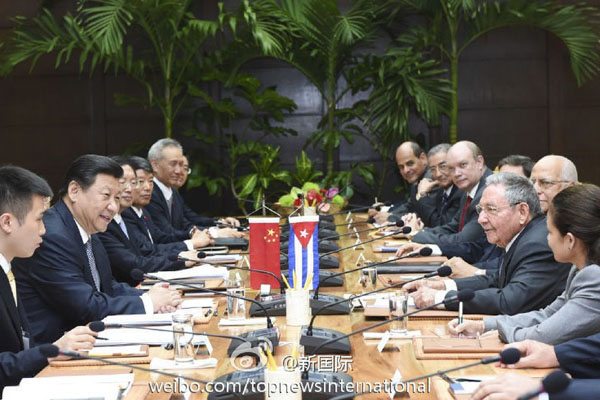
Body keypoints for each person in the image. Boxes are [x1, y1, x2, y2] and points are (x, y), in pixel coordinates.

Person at [13, 155, 182, 343]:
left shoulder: (87, 228)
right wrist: (148, 302)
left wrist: (151, 296)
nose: (113, 207)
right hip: (54, 348)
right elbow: (85, 306)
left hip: (87, 338)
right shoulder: (52, 234)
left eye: (117, 198)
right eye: (106, 196)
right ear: (75, 191)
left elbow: (107, 286)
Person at [447, 184, 600, 345]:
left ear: (570, 240)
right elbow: (547, 315)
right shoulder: (579, 270)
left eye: (550, 232)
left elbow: (547, 335)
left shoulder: (594, 277)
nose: (546, 238)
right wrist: (484, 326)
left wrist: (503, 334)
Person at [405, 173, 570, 315]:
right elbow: (497, 280)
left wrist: (438, 298)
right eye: (481, 210)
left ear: (522, 212)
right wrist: (442, 286)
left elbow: (510, 301)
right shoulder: (522, 235)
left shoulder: (537, 244)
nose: (481, 219)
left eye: (491, 209)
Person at [397, 155, 579, 278]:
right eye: (533, 182)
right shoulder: (533, 217)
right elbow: (482, 250)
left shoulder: (558, 230)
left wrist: (475, 273)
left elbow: (514, 285)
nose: (536, 189)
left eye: (545, 183)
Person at [0, 166, 98, 391]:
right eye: (39, 219)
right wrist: (51, 351)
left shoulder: (8, 270)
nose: (44, 230)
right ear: (7, 223)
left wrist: (56, 348)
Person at [97, 157, 203, 285]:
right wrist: (181, 259)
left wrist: (182, 254)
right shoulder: (104, 224)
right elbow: (134, 264)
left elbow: (149, 249)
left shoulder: (123, 218)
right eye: (122, 182)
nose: (129, 189)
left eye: (133, 182)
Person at [145, 139, 243, 240]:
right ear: (155, 165)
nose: (179, 171)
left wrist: (219, 225)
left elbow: (187, 224)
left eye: (181, 165)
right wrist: (214, 233)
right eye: (173, 164)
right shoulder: (148, 193)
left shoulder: (172, 191)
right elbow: (167, 233)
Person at [123, 156, 213, 259]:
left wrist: (191, 234)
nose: (148, 187)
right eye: (140, 181)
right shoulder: (126, 214)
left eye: (151, 181)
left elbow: (161, 238)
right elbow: (147, 250)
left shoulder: (143, 211)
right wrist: (192, 243)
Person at [409, 141, 492, 245]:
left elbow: (464, 241)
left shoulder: (489, 192)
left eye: (463, 165)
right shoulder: (468, 190)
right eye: (451, 168)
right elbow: (452, 227)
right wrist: (420, 233)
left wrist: (417, 235)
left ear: (479, 162)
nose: (456, 174)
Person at [370, 142, 439, 225]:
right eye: (401, 167)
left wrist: (391, 217)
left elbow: (425, 216)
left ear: (423, 158)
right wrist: (386, 212)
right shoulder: (417, 178)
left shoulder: (431, 179)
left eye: (410, 164)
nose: (406, 170)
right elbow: (410, 205)